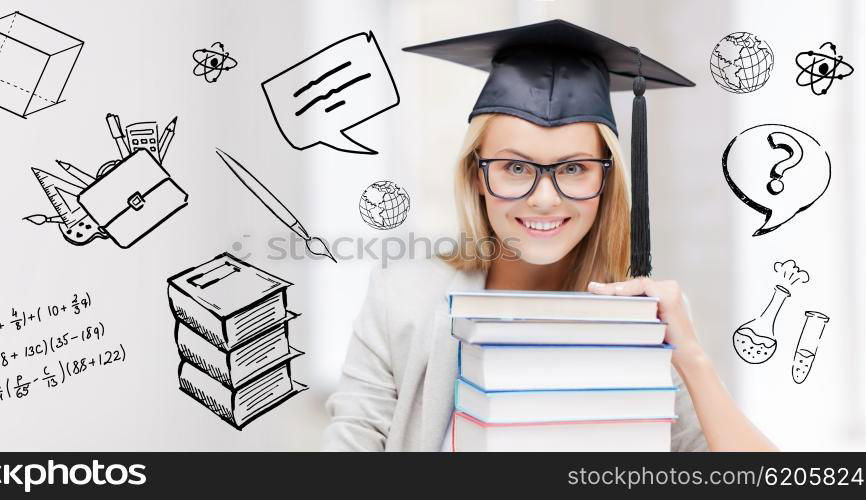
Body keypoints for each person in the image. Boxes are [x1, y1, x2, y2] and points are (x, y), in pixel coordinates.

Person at [322, 19, 777, 452]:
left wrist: (692, 357)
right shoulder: (401, 299)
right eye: (515, 167)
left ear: (609, 180)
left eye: (574, 168)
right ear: (476, 175)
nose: (544, 198)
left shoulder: (641, 318)